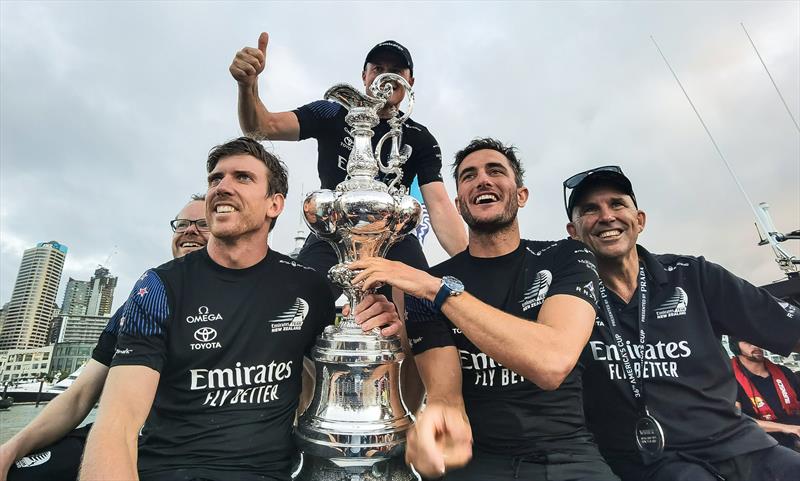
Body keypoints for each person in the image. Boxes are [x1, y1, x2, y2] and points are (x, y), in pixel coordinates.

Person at [79, 137, 402, 481]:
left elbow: (333, 376)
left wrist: (373, 325)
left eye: (242, 178)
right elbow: (117, 425)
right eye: (215, 179)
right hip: (170, 470)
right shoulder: (158, 287)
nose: (222, 187)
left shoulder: (309, 289)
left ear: (274, 205)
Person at [346, 138, 619, 480]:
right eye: (469, 175)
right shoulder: (425, 285)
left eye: (495, 171)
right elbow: (446, 397)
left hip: (567, 456)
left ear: (521, 194)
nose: (483, 180)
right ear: (460, 204)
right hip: (478, 460)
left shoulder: (567, 257)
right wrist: (438, 426)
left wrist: (439, 290)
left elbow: (552, 362)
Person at [563, 165, 800, 481]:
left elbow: (787, 326)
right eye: (590, 209)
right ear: (573, 232)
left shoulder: (694, 275)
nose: (606, 216)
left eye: (617, 204)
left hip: (741, 446)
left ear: (640, 220)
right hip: (653, 463)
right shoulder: (568, 301)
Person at [229, 33, 467, 291]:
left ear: (410, 81)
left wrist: (470, 263)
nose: (385, 76)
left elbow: (440, 206)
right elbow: (261, 127)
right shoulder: (331, 112)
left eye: (396, 70)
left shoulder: (418, 137)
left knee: (425, 307)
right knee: (298, 301)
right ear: (364, 77)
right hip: (333, 230)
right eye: (377, 69)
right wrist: (247, 85)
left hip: (394, 236)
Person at [0, 195, 210, 481]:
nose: (189, 231)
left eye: (202, 224)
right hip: (137, 440)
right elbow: (79, 395)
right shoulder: (141, 302)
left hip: (204, 453)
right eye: (182, 224)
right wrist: (10, 449)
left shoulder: (249, 297)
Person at [730, 337, 800, 450]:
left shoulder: (784, 371)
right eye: (747, 342)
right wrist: (788, 428)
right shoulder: (730, 379)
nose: (755, 345)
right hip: (766, 443)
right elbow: (736, 420)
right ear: (735, 347)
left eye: (756, 340)